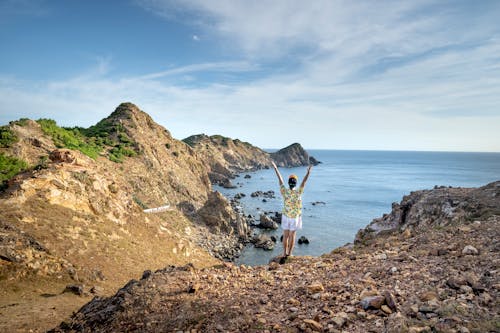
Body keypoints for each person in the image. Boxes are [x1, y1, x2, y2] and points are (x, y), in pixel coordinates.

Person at [271, 161, 312, 262]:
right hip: (295, 217)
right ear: (295, 183)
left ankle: (284, 252)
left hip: (285, 216)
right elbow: (304, 182)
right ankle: (289, 253)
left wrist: (276, 168)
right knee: (292, 236)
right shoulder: (298, 192)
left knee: (285, 235)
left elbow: (280, 180)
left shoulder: (284, 191)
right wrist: (308, 173)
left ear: (289, 182)